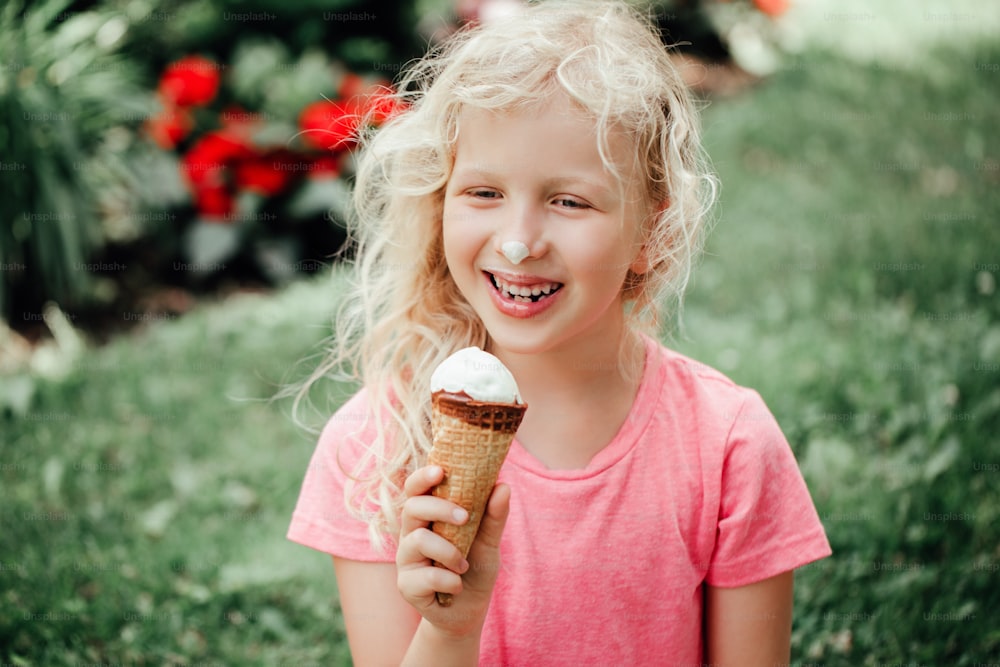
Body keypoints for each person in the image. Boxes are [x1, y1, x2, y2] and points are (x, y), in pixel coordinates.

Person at [287, 1, 831, 664]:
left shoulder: (728, 447)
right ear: (439, 202)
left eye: (568, 200)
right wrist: (451, 630)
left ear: (650, 232)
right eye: (483, 192)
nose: (517, 244)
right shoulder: (376, 447)